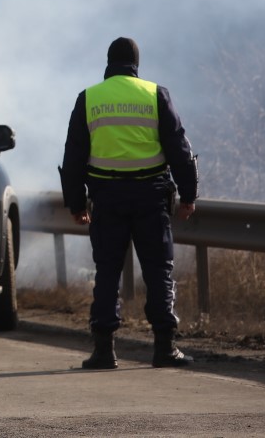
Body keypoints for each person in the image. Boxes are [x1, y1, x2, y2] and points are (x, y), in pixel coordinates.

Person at [60, 36, 199, 369]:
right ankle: (164, 348)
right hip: (151, 197)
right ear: (136, 64)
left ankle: (104, 351)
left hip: (107, 199)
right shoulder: (155, 95)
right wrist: (189, 195)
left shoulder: (89, 98)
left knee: (107, 273)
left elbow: (74, 156)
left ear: (108, 63)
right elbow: (180, 150)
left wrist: (77, 205)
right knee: (158, 271)